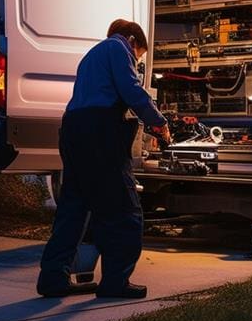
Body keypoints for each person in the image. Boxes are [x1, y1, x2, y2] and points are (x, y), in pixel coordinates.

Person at [37, 19, 171, 299]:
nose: (137, 61)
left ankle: (52, 278)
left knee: (74, 207)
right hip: (99, 134)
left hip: (73, 131)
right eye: (139, 57)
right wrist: (159, 123)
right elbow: (131, 90)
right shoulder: (119, 47)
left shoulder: (92, 55)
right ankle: (115, 282)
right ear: (133, 41)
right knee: (123, 208)